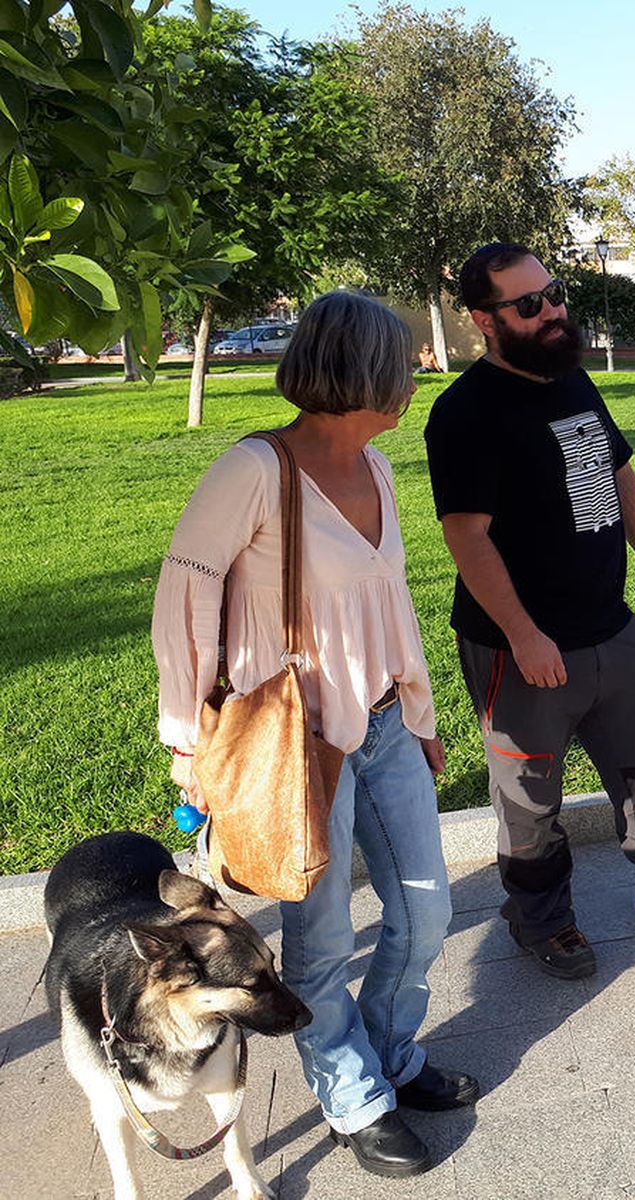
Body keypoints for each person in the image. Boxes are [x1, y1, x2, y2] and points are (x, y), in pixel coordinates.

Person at [154, 292, 477, 1179]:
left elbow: (389, 604)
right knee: (324, 936)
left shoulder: (375, 471)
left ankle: (383, 1054)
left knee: (426, 910)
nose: (414, 377)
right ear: (363, 373)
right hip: (296, 749)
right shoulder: (255, 471)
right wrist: (190, 744)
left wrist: (420, 714)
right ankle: (352, 1094)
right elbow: (183, 601)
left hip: (382, 727)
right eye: (403, 363)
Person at [424, 243, 635, 982]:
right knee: (529, 802)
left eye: (555, 294)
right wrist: (523, 634)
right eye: (529, 304)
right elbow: (466, 538)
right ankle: (541, 921)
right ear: (483, 319)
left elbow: (618, 469)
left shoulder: (569, 377)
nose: (552, 312)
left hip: (610, 625)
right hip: (523, 648)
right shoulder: (465, 413)